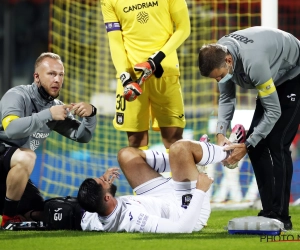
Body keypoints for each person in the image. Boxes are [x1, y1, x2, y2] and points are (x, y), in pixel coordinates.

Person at [198, 26, 300, 230]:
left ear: (228, 61)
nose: (219, 81)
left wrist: (246, 145)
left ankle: (281, 216)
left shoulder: (254, 62)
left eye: (219, 76)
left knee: (277, 143)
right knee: (258, 146)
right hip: (273, 74)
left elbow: (274, 112)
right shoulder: (220, 54)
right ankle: (268, 210)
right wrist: (220, 134)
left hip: (294, 73)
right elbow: (226, 97)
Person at [77, 126, 245, 233]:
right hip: (185, 210)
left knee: (126, 155)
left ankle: (191, 162)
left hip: (155, 196)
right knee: (180, 148)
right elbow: (183, 228)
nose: (105, 178)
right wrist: (200, 191)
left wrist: (103, 184)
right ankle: (229, 154)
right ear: (107, 197)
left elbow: (88, 207)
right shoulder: (135, 220)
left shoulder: (93, 219)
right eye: (102, 181)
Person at [0, 52, 97, 228]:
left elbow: (82, 136)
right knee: (27, 156)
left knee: (40, 213)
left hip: (12, 174)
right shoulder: (17, 95)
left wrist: (91, 114)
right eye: (51, 74)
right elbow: (12, 130)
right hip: (3, 159)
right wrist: (47, 115)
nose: (57, 79)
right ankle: (7, 220)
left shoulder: (54, 106)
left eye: (61, 75)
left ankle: (11, 212)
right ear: (37, 77)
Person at [101, 0, 190, 150]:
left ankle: (178, 174)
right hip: (132, 77)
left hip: (164, 72)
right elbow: (115, 41)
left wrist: (156, 59)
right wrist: (125, 77)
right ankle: (149, 175)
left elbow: (184, 28)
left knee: (173, 139)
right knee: (136, 142)